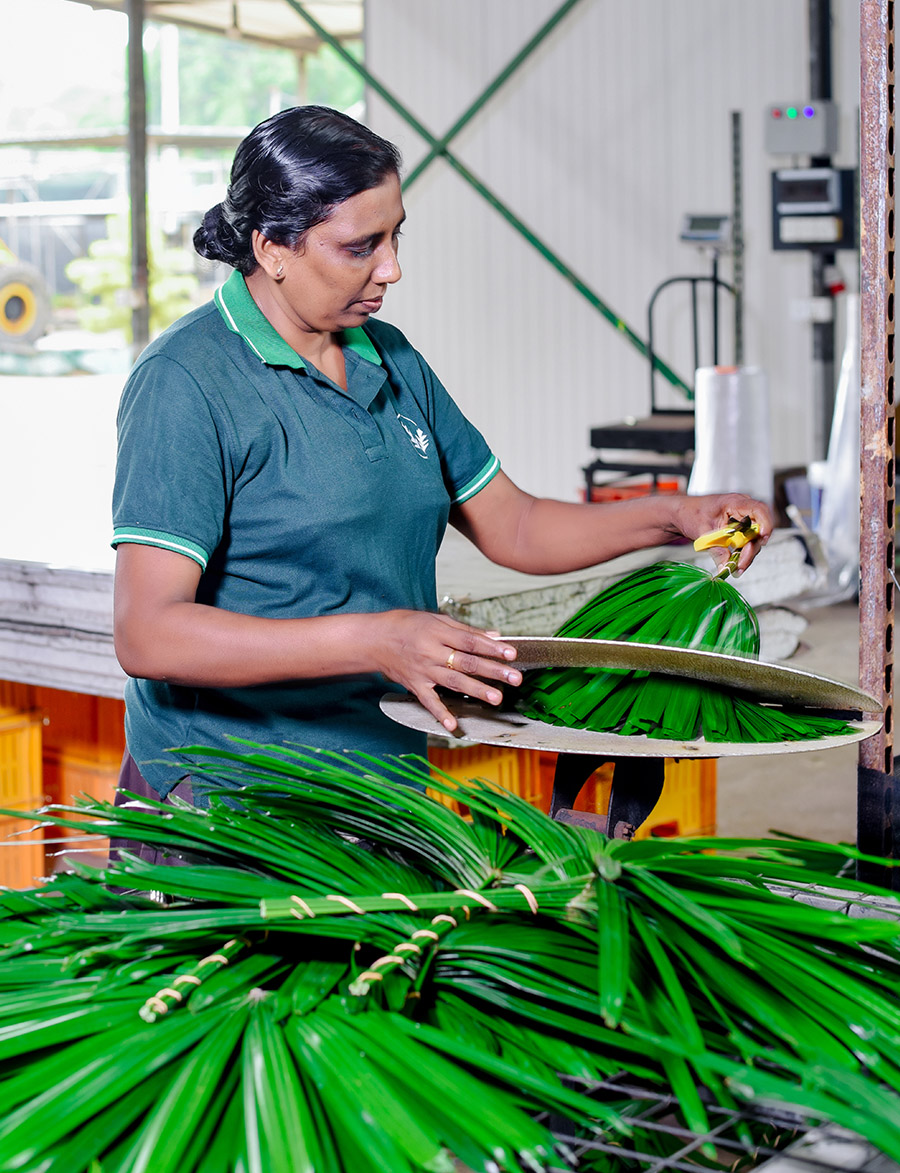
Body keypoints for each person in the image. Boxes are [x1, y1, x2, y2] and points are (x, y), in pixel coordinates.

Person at [112, 104, 772, 806]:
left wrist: (675, 513)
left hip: (379, 783)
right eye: (361, 246)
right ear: (272, 248)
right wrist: (375, 639)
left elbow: (514, 525)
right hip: (231, 795)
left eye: (396, 237)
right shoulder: (187, 381)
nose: (392, 268)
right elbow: (150, 633)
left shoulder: (389, 359)